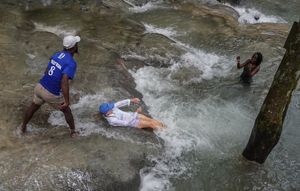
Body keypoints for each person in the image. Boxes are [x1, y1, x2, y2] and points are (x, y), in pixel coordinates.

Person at [17, 35, 81, 137]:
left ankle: (22, 127)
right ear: (74, 47)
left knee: (33, 107)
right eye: (77, 44)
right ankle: (73, 132)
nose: (78, 45)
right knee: (66, 110)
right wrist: (67, 100)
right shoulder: (71, 63)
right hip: (51, 93)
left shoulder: (57, 54)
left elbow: (47, 70)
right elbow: (64, 81)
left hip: (40, 86)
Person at [99, 98, 165, 129]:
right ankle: (165, 132)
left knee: (151, 120)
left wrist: (131, 100)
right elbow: (126, 123)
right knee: (151, 124)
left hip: (131, 114)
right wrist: (136, 112)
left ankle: (165, 127)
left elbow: (120, 103)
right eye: (110, 108)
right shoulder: (112, 120)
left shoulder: (111, 108)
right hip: (133, 122)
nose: (112, 107)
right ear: (107, 112)